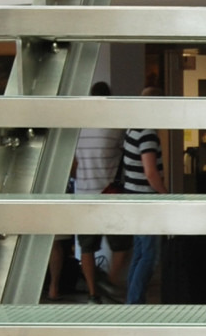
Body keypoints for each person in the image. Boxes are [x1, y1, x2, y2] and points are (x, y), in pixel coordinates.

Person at [50, 81, 123, 300]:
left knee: (87, 248)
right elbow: (125, 153)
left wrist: (79, 177)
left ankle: (93, 292)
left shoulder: (78, 129)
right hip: (109, 193)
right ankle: (108, 282)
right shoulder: (115, 126)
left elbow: (72, 165)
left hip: (83, 193)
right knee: (123, 244)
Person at [122, 83, 166, 303]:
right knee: (150, 256)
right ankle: (135, 301)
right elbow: (150, 172)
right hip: (145, 200)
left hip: (131, 196)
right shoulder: (148, 133)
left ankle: (133, 301)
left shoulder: (132, 129)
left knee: (139, 253)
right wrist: (166, 194)